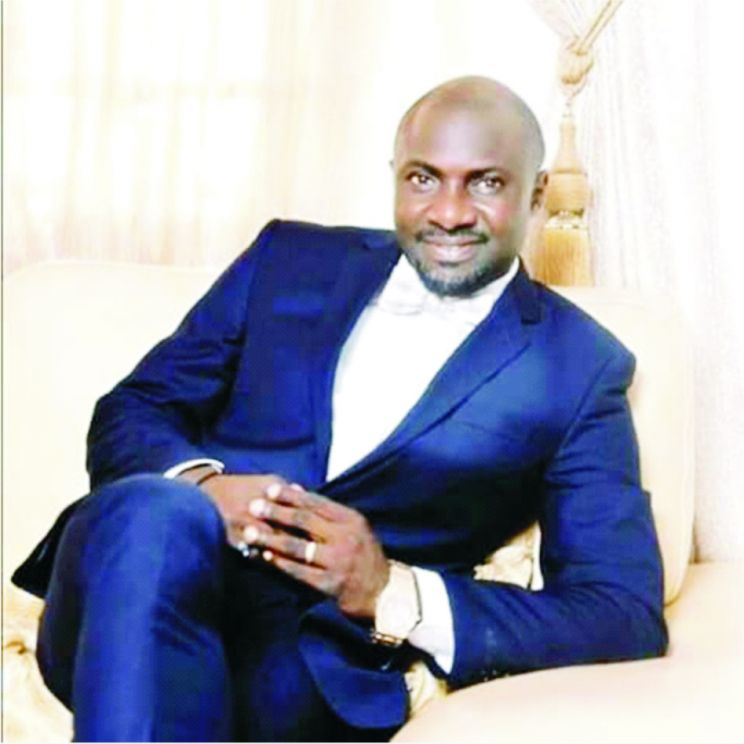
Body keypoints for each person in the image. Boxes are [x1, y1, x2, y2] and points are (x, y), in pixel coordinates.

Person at [13, 76, 667, 742]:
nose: (448, 213)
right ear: (395, 176)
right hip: (134, 591)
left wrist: (390, 590)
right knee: (156, 512)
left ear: (536, 193)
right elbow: (138, 407)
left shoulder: (579, 367)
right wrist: (203, 487)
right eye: (423, 179)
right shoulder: (287, 259)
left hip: (309, 659)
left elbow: (620, 611)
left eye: (485, 184)